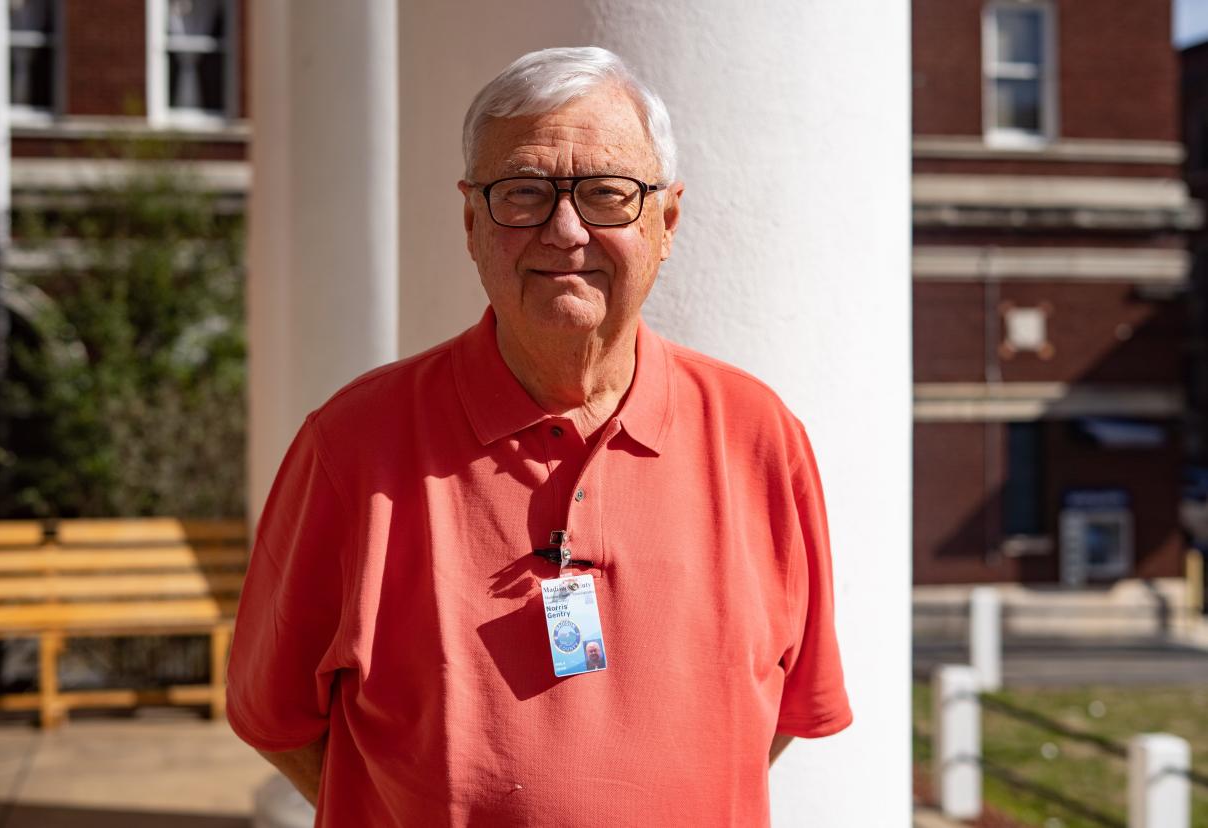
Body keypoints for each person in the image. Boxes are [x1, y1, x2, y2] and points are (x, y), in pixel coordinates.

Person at [226, 45, 852, 827]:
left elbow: (786, 709)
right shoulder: (353, 446)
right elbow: (273, 717)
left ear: (667, 222)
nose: (564, 230)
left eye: (606, 194)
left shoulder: (759, 436)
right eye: (522, 193)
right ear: (470, 222)